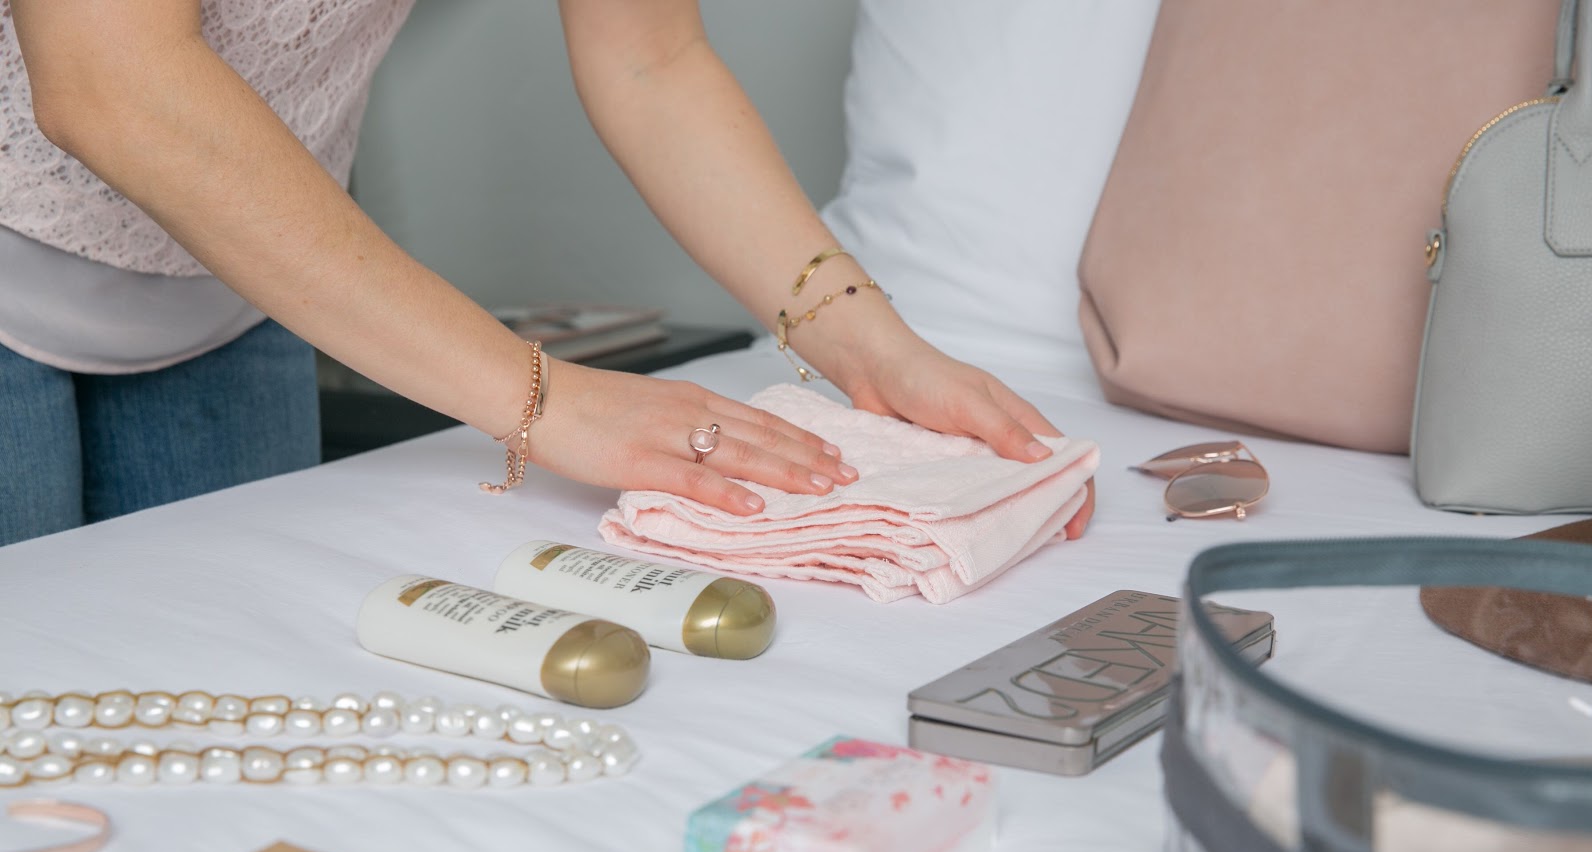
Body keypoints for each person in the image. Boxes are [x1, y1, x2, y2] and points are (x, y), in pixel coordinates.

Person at [0, 0, 1094, 548]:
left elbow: (647, 57)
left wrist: (870, 341)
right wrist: (542, 399)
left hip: (243, 277)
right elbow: (114, 84)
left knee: (216, 733)